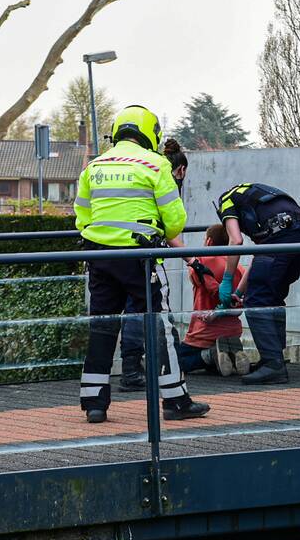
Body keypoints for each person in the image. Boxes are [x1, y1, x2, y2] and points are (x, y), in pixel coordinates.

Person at [74, 105, 210, 423]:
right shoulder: (155, 164)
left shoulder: (94, 166)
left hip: (99, 257)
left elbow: (81, 216)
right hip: (140, 258)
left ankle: (94, 403)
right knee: (159, 325)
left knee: (102, 326)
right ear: (149, 132)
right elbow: (175, 223)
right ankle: (175, 401)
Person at [214, 183, 300, 385]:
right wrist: (238, 292)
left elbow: (235, 241)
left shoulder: (226, 200)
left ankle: (273, 365)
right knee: (273, 296)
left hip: (281, 238)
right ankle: (273, 358)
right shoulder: (256, 197)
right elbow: (260, 255)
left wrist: (227, 280)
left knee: (257, 302)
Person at [116, 138, 190, 392]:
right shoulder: (163, 179)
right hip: (145, 257)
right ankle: (167, 376)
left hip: (116, 252)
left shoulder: (143, 169)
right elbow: (171, 229)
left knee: (131, 314)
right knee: (154, 314)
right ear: (180, 170)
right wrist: (192, 259)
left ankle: (131, 370)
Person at [177, 223, 251, 377]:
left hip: (203, 334)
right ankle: (231, 354)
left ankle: (210, 354)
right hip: (232, 331)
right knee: (216, 367)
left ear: (209, 242)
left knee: (173, 362)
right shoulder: (239, 269)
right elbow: (239, 300)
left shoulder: (201, 262)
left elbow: (211, 288)